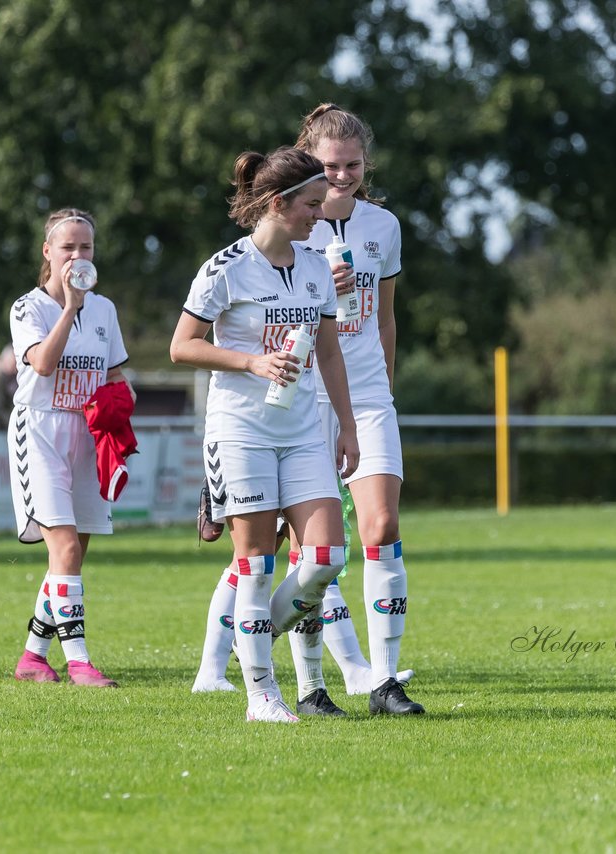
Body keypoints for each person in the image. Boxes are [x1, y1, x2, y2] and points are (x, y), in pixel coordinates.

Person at [190, 106, 423, 717]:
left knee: (376, 530)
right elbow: (191, 340)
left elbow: (384, 317)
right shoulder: (286, 228)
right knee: (278, 551)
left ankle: (384, 680)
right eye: (329, 168)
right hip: (286, 405)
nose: (340, 179)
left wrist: (378, 395)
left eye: (352, 166)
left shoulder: (382, 227)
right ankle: (301, 682)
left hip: (362, 395)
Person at [170, 146, 360, 723]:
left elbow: (329, 351)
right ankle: (263, 696)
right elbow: (182, 347)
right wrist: (252, 363)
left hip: (304, 432)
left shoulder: (314, 269)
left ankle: (253, 635)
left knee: (325, 558)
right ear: (277, 204)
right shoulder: (225, 267)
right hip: (241, 433)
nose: (319, 216)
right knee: (255, 563)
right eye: (310, 205)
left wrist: (347, 425)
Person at [9, 208, 130, 688]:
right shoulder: (29, 307)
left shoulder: (105, 309)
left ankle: (32, 657)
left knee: (75, 550)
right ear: (48, 252)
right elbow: (42, 364)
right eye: (68, 248)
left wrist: (121, 403)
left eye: (86, 248)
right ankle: (79, 661)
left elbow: (116, 373)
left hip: (88, 434)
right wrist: (70, 307)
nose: (78, 256)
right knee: (62, 546)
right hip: (39, 430)